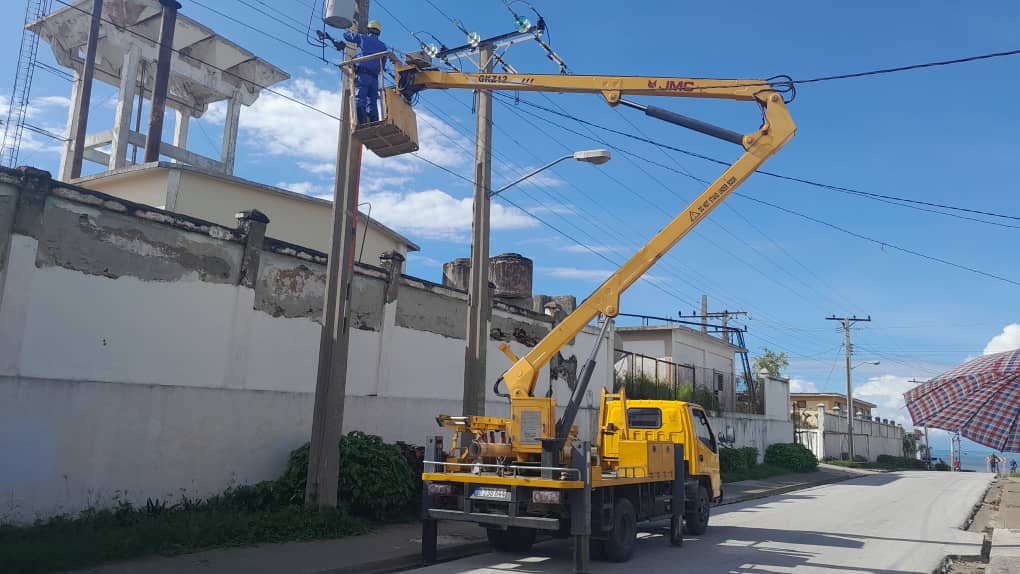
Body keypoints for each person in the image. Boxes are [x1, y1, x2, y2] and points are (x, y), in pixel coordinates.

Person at [343, 20, 387, 125]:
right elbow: (383, 64)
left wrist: (346, 26)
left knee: (360, 98)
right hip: (374, 78)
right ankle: (374, 123)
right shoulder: (383, 46)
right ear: (379, 32)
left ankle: (362, 122)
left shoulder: (362, 38)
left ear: (369, 29)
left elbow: (347, 36)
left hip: (362, 74)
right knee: (372, 101)